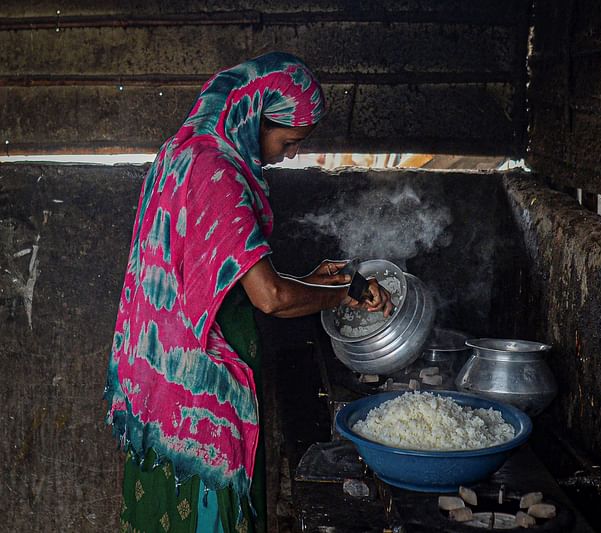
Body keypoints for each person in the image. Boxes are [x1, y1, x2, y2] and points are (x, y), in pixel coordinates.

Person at [104, 51, 393, 533]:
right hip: (202, 384)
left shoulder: (182, 149)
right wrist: (343, 291)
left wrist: (313, 283)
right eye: (290, 140)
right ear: (254, 118)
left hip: (159, 374)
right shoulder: (218, 172)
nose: (292, 153)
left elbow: (222, 276)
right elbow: (270, 298)